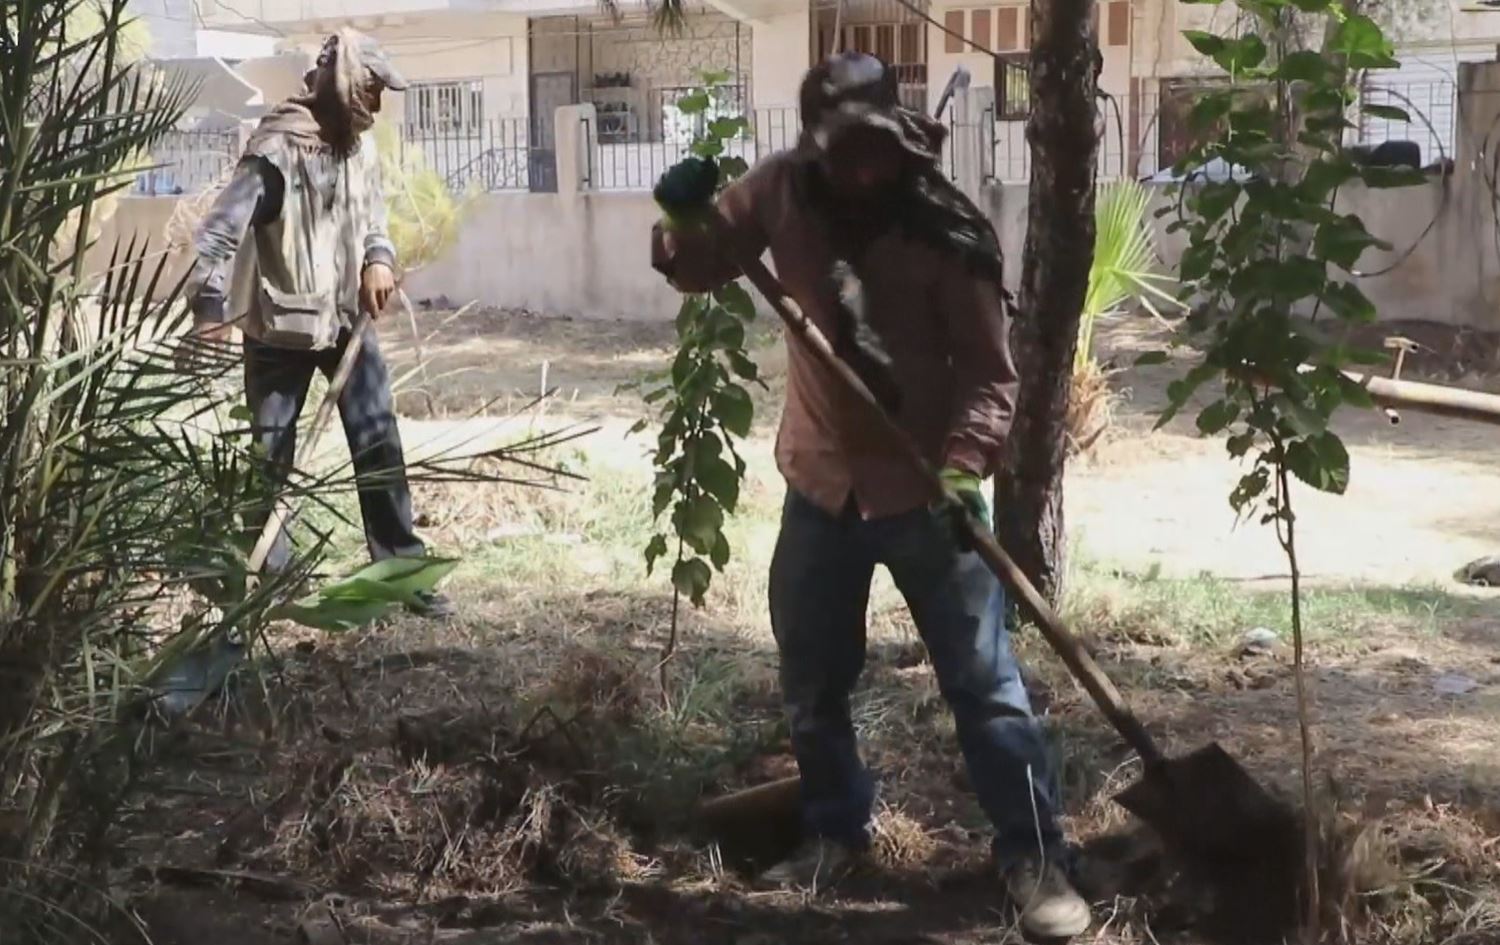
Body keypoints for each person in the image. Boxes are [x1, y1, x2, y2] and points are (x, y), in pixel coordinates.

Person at [648, 53, 1090, 940]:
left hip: (927, 492)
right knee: (812, 678)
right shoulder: (782, 192)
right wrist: (681, 219)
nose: (857, 170)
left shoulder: (948, 230)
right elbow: (698, 264)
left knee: (985, 685)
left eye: (872, 149)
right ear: (816, 146)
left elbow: (990, 375)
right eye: (839, 151)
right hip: (821, 483)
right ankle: (835, 829)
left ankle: (1035, 852)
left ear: (899, 140)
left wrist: (963, 466)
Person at [183, 29, 451, 618]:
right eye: (372, 90)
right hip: (277, 328)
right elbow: (218, 233)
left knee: (379, 440)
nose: (377, 104)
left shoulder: (358, 148)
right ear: (345, 84)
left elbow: (372, 216)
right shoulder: (275, 152)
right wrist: (208, 309)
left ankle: (402, 572)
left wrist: (379, 258)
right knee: (270, 456)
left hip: (346, 321)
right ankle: (270, 581)